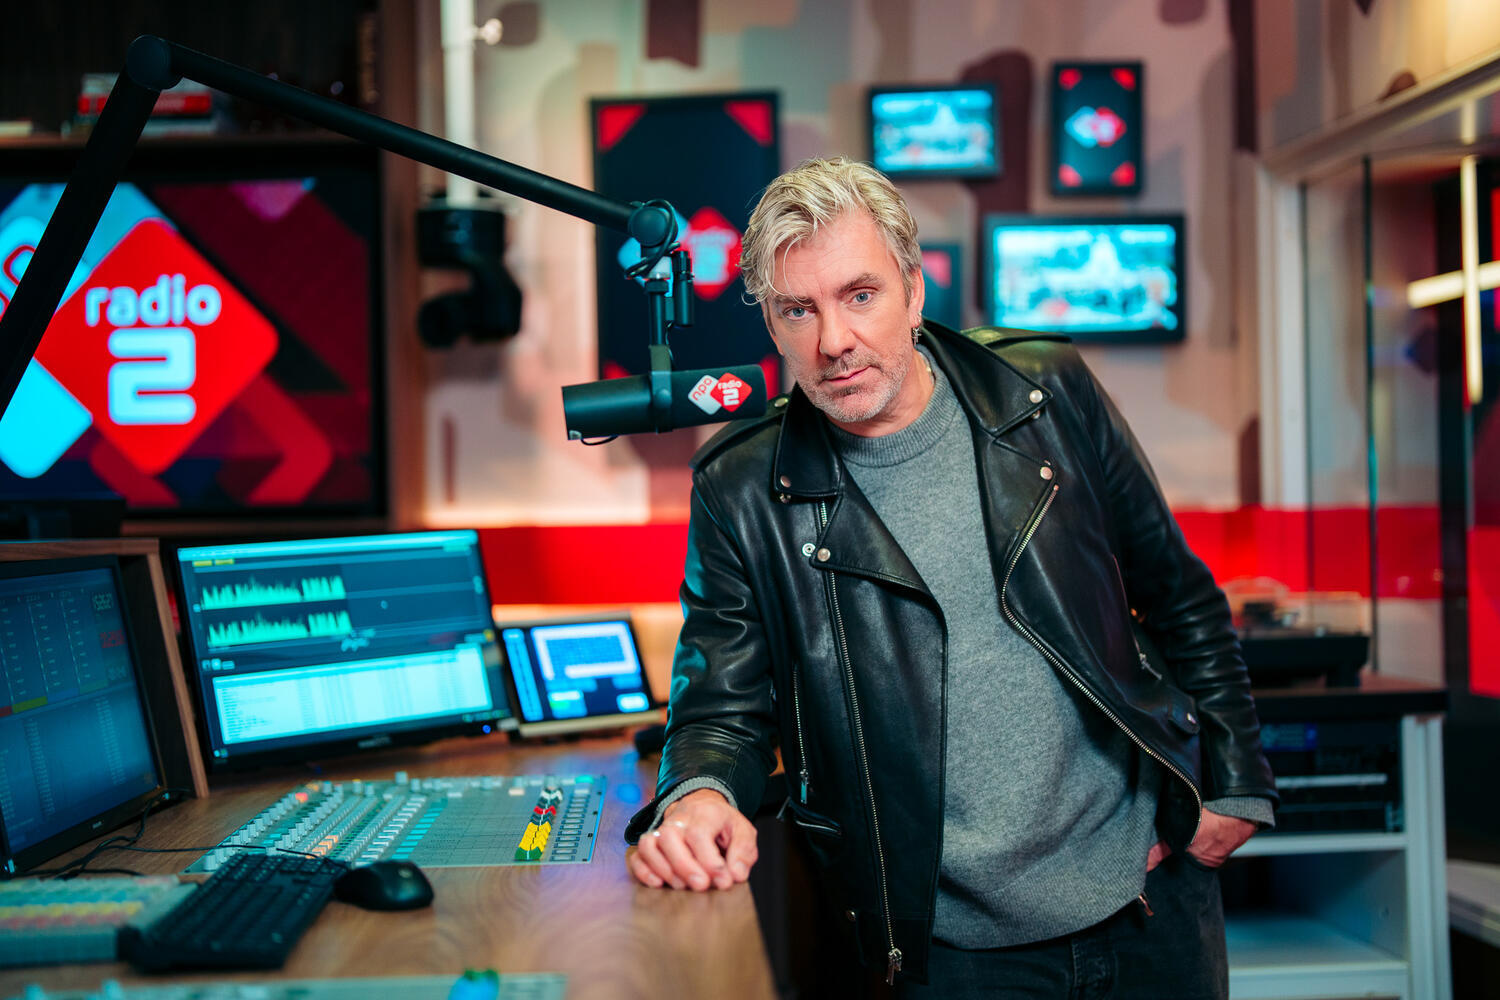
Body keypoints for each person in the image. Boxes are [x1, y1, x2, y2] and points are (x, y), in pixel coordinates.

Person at [623, 157, 1277, 997]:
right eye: (798, 310)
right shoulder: (740, 489)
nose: (833, 340)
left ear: (914, 289)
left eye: (860, 295)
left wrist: (1234, 783)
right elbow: (719, 709)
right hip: (948, 953)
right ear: (773, 324)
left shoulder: (1044, 391)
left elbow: (1178, 593)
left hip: (1150, 903)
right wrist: (700, 796)